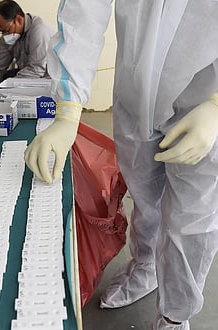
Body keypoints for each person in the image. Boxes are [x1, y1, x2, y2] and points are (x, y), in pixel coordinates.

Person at [24, 1, 218, 329]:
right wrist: (68, 108)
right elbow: (84, 10)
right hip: (135, 93)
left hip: (203, 97)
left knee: (192, 219)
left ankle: (174, 316)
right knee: (144, 195)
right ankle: (145, 266)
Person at [0, 0, 55, 84]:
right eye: (1, 32)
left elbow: (36, 69)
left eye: (6, 30)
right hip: (27, 77)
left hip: (46, 80)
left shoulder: (39, 31)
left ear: (19, 20)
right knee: (6, 76)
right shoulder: (7, 36)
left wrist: (9, 84)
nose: (4, 35)